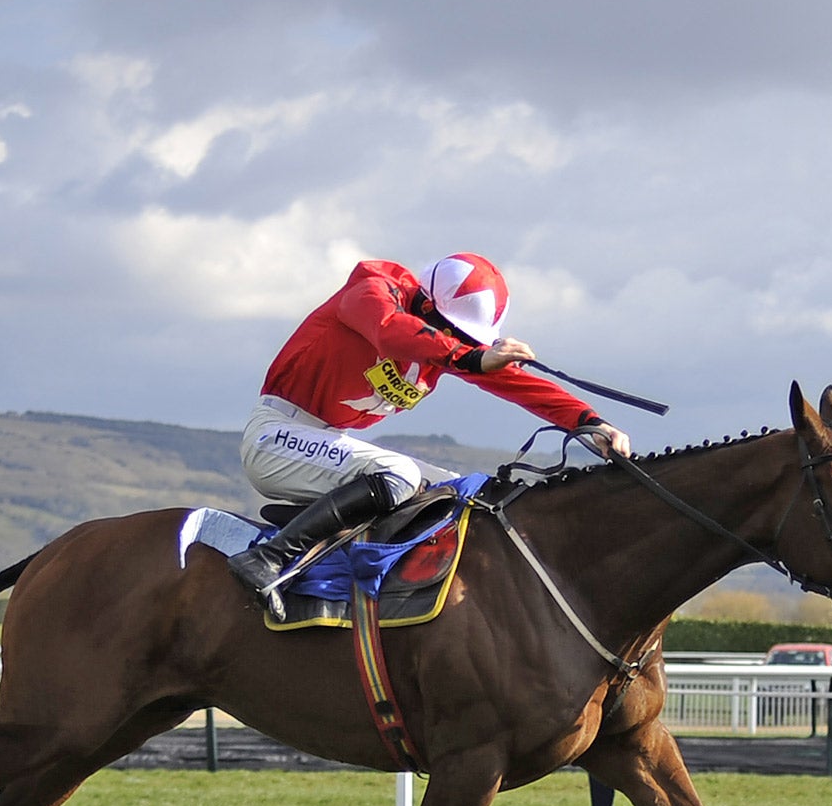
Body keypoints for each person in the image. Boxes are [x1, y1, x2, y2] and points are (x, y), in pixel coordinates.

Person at [230, 254, 631, 613]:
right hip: (278, 435)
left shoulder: (444, 342)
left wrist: (588, 421)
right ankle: (269, 559)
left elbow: (513, 383)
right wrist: (471, 356)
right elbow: (391, 331)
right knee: (401, 475)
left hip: (327, 443)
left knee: (466, 494)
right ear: (426, 303)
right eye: (449, 329)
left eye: (463, 336)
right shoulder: (372, 290)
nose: (454, 340)